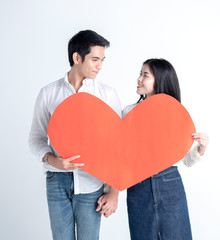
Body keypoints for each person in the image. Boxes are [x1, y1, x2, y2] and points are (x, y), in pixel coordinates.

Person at [29, 30, 120, 240]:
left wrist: (114, 192)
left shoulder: (107, 94)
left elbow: (117, 145)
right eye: (95, 59)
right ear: (77, 58)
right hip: (56, 180)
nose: (100, 66)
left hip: (92, 183)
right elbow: (35, 138)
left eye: (102, 60)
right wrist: (53, 160)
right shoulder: (48, 93)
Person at [122, 58, 209, 240]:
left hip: (170, 185)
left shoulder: (175, 114)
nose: (139, 79)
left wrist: (200, 149)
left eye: (145, 75)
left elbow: (186, 160)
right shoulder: (128, 113)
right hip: (138, 188)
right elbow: (119, 156)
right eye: (140, 74)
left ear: (160, 80)